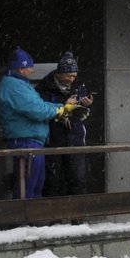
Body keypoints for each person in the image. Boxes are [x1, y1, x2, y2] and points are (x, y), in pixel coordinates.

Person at [0, 48, 81, 199]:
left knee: (35, 185)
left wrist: (60, 108)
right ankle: (24, 220)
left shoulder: (20, 84)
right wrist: (60, 110)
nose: (32, 70)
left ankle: (33, 220)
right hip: (25, 141)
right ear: (21, 68)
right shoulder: (14, 86)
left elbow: (39, 105)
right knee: (27, 187)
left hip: (32, 140)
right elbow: (37, 110)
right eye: (29, 67)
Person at [37, 52, 94, 197]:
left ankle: (78, 218)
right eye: (68, 75)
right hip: (55, 139)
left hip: (76, 138)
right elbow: (41, 111)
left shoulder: (79, 85)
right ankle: (53, 218)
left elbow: (84, 114)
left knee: (78, 179)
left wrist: (86, 106)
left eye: (74, 76)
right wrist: (64, 105)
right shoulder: (44, 87)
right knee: (53, 180)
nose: (71, 79)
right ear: (59, 73)